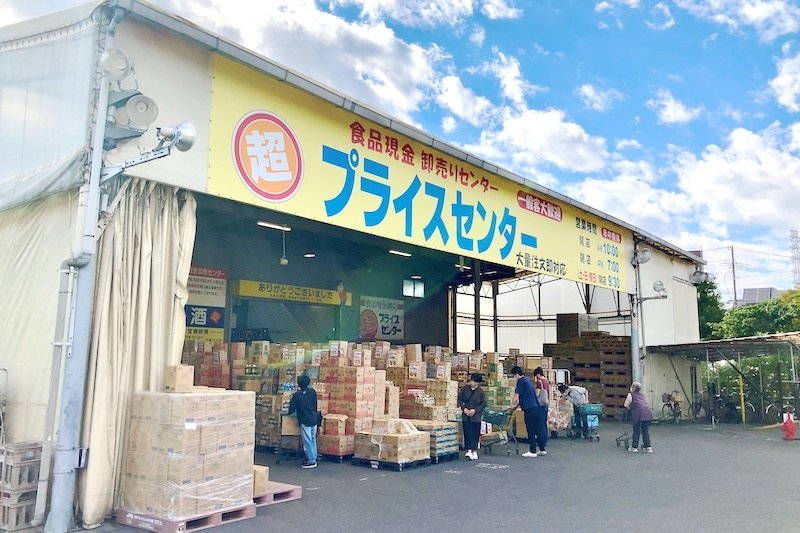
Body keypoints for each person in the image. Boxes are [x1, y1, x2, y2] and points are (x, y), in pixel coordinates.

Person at [508, 366, 547, 457]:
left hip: (529, 409)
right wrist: (514, 408)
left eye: (513, 376)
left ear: (516, 375)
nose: (514, 378)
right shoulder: (528, 380)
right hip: (536, 407)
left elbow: (516, 395)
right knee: (538, 428)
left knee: (530, 429)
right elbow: (523, 398)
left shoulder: (521, 382)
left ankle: (532, 450)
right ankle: (542, 449)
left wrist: (510, 404)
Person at [288, 374, 319, 468]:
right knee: (313, 439)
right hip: (314, 417)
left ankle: (311, 460)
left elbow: (291, 409)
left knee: (307, 440)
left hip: (304, 419)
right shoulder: (312, 392)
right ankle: (314, 456)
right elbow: (315, 404)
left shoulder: (297, 395)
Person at [458, 373, 487, 460]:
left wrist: (475, 410)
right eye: (471, 380)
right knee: (467, 432)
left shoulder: (481, 392)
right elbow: (460, 400)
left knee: (475, 433)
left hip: (476, 416)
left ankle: (474, 450)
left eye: (474, 381)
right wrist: (464, 409)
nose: (472, 382)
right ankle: (469, 450)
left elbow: (484, 404)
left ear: (477, 383)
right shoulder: (465, 389)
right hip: (466, 415)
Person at [623, 381, 653, 452]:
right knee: (645, 431)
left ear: (633, 388)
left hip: (638, 415)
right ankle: (648, 447)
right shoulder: (642, 395)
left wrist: (631, 408)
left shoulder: (630, 395)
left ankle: (634, 447)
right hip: (647, 414)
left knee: (636, 431)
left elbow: (626, 405)